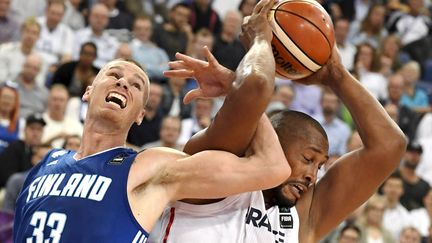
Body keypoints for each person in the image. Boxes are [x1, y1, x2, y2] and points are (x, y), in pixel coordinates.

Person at [13, 1, 290, 241]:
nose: (123, 82)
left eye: (136, 85)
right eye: (114, 75)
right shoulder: (46, 164)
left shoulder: (149, 168)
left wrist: (233, 83)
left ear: (140, 115)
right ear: (88, 91)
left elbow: (272, 167)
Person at [150, 4, 406, 242]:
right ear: (271, 142)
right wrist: (261, 40)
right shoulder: (214, 169)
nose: (312, 176)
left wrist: (337, 75)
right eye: (308, 159)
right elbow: (256, 86)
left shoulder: (302, 218)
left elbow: (390, 146)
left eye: (319, 166)